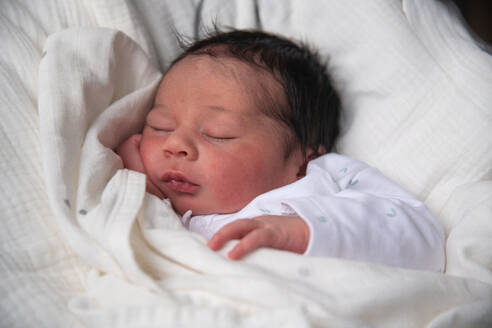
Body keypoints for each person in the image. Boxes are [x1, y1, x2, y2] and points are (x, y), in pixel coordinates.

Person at [117, 29, 445, 271]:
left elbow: (421, 236)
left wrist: (302, 231)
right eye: (160, 127)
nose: (174, 145)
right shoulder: (172, 213)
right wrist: (137, 185)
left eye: (219, 134)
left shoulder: (324, 179)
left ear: (303, 159)